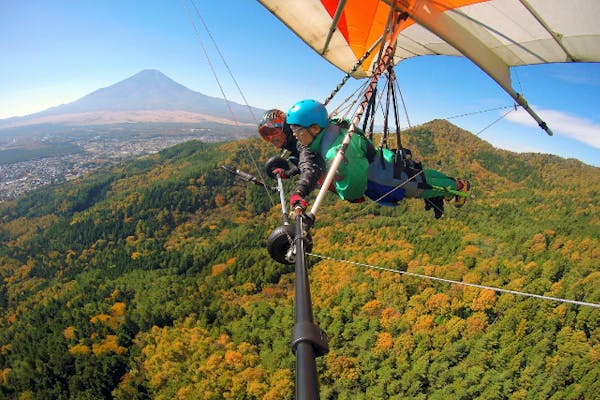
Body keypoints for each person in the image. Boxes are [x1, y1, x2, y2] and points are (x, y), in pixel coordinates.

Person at [284, 99, 471, 219]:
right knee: (419, 175)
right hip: (383, 161)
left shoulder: (337, 152)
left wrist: (340, 188)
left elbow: (354, 190)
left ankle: (458, 188)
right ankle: (451, 185)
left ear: (315, 128)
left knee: (419, 186)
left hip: (385, 179)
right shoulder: (332, 127)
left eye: (298, 131)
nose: (296, 137)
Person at [258, 109, 300, 178]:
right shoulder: (292, 144)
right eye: (267, 135)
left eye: (273, 131)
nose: (271, 138)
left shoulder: (301, 142)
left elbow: (309, 165)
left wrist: (288, 173)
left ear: (285, 128)